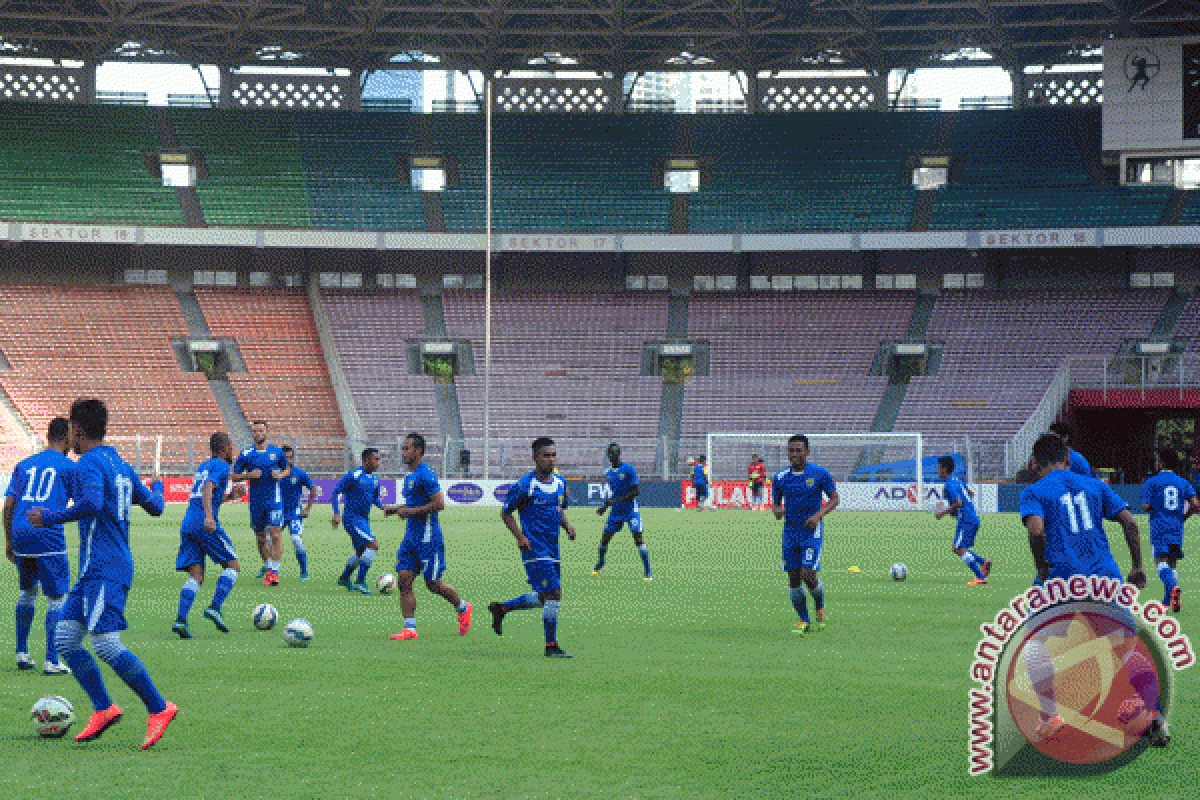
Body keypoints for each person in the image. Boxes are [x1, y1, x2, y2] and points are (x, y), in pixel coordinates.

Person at [29, 397, 177, 749]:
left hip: (105, 568)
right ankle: (104, 708)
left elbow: (92, 503)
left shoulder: (90, 463)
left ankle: (159, 707)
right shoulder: (119, 463)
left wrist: (48, 517)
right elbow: (155, 507)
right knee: (65, 639)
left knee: (107, 644)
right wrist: (156, 486)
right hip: (97, 568)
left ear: (77, 429)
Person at [1019, 433, 1165, 745]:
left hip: (1062, 580)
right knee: (1126, 648)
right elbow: (1130, 523)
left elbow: (1036, 530)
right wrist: (1137, 567)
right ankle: (1152, 715)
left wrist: (1042, 568)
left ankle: (1050, 717)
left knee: (1035, 646)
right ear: (1068, 459)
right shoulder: (1097, 485)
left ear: (1035, 464)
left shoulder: (1034, 491)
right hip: (1104, 579)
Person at [488, 437, 577, 658]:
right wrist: (519, 536)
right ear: (535, 458)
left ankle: (502, 608)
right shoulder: (525, 484)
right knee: (554, 593)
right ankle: (551, 646)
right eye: (546, 455)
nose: (551, 459)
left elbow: (558, 509)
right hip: (534, 548)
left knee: (544, 597)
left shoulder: (560, 483)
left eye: (553, 455)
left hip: (553, 547)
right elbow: (506, 512)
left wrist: (567, 526)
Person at [4, 417, 74, 675]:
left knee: (28, 591)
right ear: (66, 437)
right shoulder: (68, 467)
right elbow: (82, 504)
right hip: (47, 533)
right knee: (57, 597)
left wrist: (9, 540)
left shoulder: (24, 465)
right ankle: (52, 660)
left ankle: (22, 653)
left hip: (21, 532)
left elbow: (9, 505)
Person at [386, 432, 472, 640]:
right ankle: (410, 628)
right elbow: (415, 504)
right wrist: (398, 508)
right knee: (404, 579)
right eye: (403, 449)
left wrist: (409, 512)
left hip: (428, 538)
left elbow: (439, 504)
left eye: (407, 448)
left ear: (418, 451)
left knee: (433, 584)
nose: (403, 452)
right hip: (411, 538)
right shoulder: (410, 477)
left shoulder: (425, 474)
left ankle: (462, 607)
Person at [172, 432, 240, 639]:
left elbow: (205, 492)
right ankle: (215, 607)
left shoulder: (204, 466)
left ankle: (181, 620)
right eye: (231, 447)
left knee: (196, 576)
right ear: (224, 448)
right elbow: (208, 487)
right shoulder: (221, 465)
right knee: (233, 566)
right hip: (204, 523)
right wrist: (210, 517)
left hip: (189, 523)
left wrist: (229, 496)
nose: (232, 451)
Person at [771, 435, 839, 635]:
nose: (794, 454)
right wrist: (776, 510)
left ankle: (819, 607)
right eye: (791, 450)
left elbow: (835, 499)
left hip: (811, 532)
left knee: (808, 575)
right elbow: (775, 503)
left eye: (798, 450)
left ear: (807, 452)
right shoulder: (781, 477)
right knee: (793, 578)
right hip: (790, 532)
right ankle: (803, 620)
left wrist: (818, 515)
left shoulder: (819, 474)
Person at [1140, 448, 1199, 613]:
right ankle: (1167, 603)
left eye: (1157, 459)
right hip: (1176, 528)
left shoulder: (1151, 481)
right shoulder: (1183, 482)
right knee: (1172, 564)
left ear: (1161, 462)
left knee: (1160, 562)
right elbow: (1195, 504)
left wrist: (1156, 507)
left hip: (1159, 527)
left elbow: (1146, 505)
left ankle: (1173, 588)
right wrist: (1182, 518)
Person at [231, 420, 290, 586]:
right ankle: (268, 567)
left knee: (276, 534)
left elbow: (287, 470)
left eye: (261, 431)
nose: (258, 434)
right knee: (260, 537)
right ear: (253, 434)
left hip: (274, 500)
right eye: (255, 431)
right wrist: (248, 476)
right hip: (256, 502)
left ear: (266, 432)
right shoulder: (246, 454)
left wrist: (280, 475)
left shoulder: (277, 452)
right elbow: (234, 476)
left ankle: (274, 572)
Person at [332, 447, 394, 594]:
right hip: (352, 519)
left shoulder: (375, 479)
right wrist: (336, 513)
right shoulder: (354, 475)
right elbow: (335, 492)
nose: (378, 462)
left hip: (363, 520)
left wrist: (383, 507)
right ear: (366, 460)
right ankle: (360, 581)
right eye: (376, 459)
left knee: (360, 551)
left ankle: (345, 577)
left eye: (379, 459)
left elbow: (373, 498)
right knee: (373, 545)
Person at [592, 442, 652, 580]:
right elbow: (615, 494)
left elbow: (636, 491)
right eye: (611, 453)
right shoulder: (608, 473)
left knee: (638, 539)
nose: (613, 455)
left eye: (615, 452)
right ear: (608, 455)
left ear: (619, 454)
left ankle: (647, 571)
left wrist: (615, 500)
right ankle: (600, 562)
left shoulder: (629, 470)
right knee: (604, 539)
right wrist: (605, 507)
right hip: (616, 512)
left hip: (631, 511)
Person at [934, 455, 991, 585]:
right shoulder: (957, 480)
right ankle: (983, 562)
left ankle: (980, 577)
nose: (937, 471)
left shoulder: (949, 484)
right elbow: (970, 494)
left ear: (944, 469)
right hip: (969, 518)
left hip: (966, 520)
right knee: (957, 548)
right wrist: (956, 511)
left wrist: (943, 512)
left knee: (959, 548)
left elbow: (958, 502)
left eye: (938, 468)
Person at [279, 445, 314, 581]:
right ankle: (268, 567)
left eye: (290, 457)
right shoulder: (275, 473)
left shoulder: (300, 473)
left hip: (294, 512)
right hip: (278, 512)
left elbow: (313, 489)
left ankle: (303, 571)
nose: (288, 460)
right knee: (269, 540)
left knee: (296, 540)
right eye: (285, 457)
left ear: (293, 458)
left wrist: (307, 508)